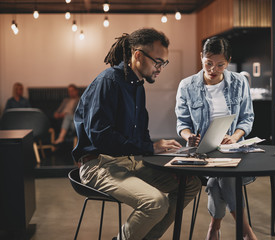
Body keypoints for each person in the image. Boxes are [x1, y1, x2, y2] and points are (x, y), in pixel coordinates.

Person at [72, 28, 201, 240]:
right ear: (138, 55)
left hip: (127, 163)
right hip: (98, 165)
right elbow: (100, 137)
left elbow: (140, 138)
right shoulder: (108, 82)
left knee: (191, 183)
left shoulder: (137, 87)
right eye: (157, 61)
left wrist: (168, 159)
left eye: (164, 63)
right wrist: (150, 147)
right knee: (156, 202)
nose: (160, 68)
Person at [175, 36, 257, 240]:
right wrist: (190, 137)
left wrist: (235, 137)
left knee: (217, 182)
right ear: (201, 57)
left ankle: (214, 227)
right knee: (225, 178)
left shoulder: (239, 82)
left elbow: (247, 118)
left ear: (228, 61)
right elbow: (182, 124)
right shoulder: (187, 86)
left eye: (220, 65)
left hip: (232, 152)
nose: (213, 69)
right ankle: (247, 234)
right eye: (208, 63)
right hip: (202, 154)